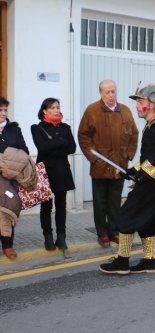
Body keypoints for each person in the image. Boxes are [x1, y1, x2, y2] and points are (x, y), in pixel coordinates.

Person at [100, 84, 155, 274]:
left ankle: (122, 260)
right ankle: (149, 261)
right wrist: (131, 171)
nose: (137, 106)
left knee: (126, 215)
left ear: (151, 104)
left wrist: (143, 173)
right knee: (147, 221)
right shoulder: (153, 125)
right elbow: (149, 157)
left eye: (140, 102)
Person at [78, 79, 138, 247]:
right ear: (100, 93)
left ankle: (115, 231)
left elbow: (134, 134)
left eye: (113, 91)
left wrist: (128, 155)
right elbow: (83, 136)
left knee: (115, 201)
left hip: (119, 166)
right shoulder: (92, 110)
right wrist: (93, 158)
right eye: (107, 92)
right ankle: (102, 233)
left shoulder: (125, 111)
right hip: (100, 166)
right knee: (99, 202)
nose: (111, 95)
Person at [31, 98, 76, 251]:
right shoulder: (37, 128)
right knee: (46, 206)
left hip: (62, 170)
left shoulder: (65, 127)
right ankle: (48, 237)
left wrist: (55, 144)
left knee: (61, 205)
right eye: (53, 107)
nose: (56, 110)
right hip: (45, 171)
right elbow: (43, 147)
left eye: (58, 107)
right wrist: (61, 142)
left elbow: (72, 148)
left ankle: (61, 237)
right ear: (45, 110)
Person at [0, 97, 29, 259]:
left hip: (10, 177)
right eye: (0, 110)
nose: (3, 113)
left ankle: (8, 245)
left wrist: (7, 155)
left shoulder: (14, 129)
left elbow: (23, 151)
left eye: (5, 110)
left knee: (9, 208)